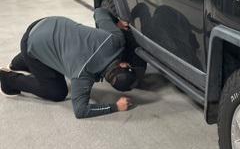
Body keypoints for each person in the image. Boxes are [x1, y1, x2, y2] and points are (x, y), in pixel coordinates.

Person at [0, 8, 137, 118]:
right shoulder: (83, 75)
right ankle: (8, 80)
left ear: (124, 65)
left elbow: (100, 11)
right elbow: (81, 111)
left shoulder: (115, 39)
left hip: (48, 22)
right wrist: (116, 107)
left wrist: (116, 23)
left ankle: (18, 63)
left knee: (60, 50)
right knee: (57, 93)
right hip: (31, 43)